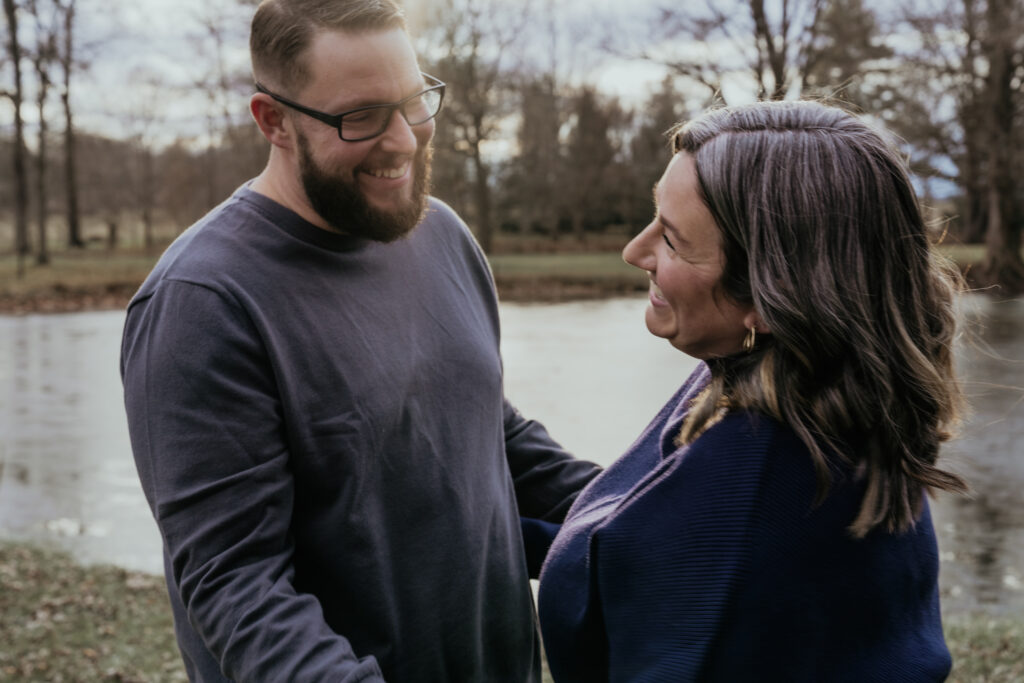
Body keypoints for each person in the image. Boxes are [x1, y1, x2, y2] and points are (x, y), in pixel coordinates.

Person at [120, 1, 599, 680]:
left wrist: (647, 507)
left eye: (413, 102)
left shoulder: (442, 235)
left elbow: (488, 434)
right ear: (273, 120)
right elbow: (236, 586)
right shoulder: (204, 303)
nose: (403, 139)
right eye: (362, 116)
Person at [535, 100, 968, 682]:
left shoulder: (738, 519)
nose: (635, 252)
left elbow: (670, 552)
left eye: (671, 239)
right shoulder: (832, 395)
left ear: (769, 297)